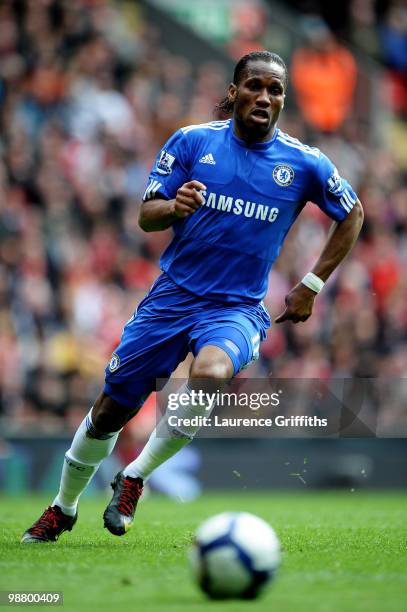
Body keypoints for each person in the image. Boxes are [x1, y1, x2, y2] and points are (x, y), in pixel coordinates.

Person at [22, 50, 363, 543]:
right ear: (234, 91)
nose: (265, 97)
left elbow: (352, 215)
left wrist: (312, 284)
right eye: (255, 86)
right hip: (172, 300)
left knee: (211, 373)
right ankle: (63, 507)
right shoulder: (192, 141)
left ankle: (134, 477)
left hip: (237, 308)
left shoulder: (306, 163)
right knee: (110, 412)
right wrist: (173, 205)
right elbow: (147, 215)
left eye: (276, 89)